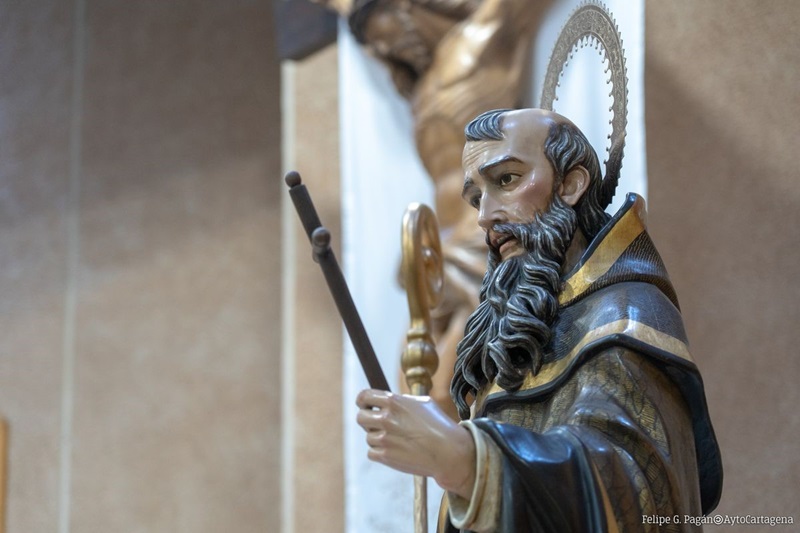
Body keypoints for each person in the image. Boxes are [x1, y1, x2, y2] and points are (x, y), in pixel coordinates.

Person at [356, 108, 723, 532]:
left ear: (571, 184)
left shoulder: (623, 316)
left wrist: (464, 458)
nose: (485, 216)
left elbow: (632, 488)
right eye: (476, 198)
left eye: (506, 180)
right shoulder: (518, 334)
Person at [347, 0, 553, 419]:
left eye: (387, 33)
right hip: (436, 245)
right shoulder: (424, 87)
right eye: (376, 46)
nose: (385, 50)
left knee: (447, 395)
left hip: (484, 233)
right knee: (410, 392)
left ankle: (480, 458)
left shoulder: (477, 43)